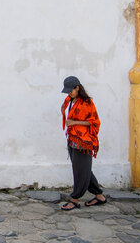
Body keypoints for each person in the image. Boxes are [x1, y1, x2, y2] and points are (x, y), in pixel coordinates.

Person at [60, 76, 107, 210]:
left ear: (77, 88)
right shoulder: (69, 100)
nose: (69, 93)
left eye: (71, 90)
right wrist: (63, 109)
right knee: (84, 170)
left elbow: (94, 122)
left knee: (80, 171)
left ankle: (74, 199)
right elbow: (67, 115)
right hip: (72, 139)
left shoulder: (86, 103)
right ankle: (99, 196)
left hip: (83, 142)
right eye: (68, 91)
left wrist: (75, 122)